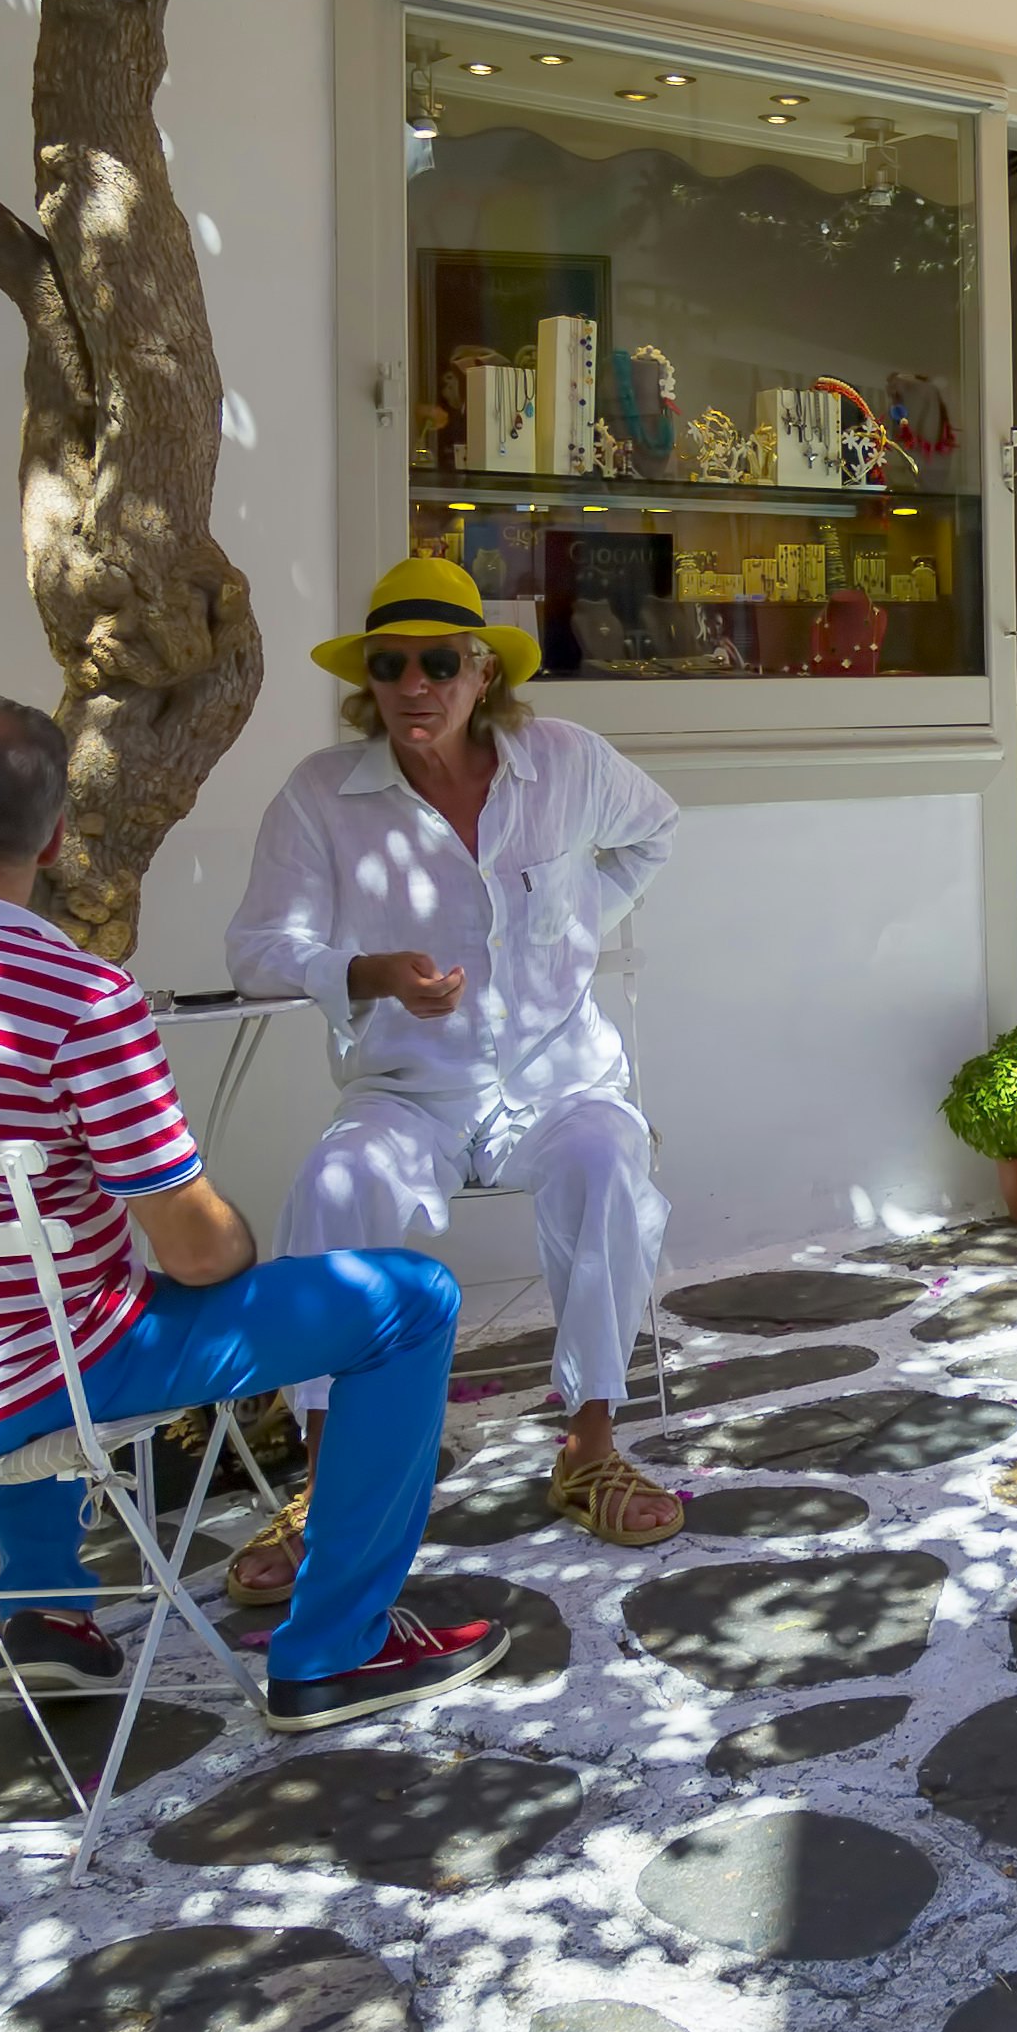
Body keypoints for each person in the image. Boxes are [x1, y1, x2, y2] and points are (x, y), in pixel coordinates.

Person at [0, 695, 496, 1731]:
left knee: (28, 1288)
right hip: (16, 1387)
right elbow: (197, 1253)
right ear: (50, 843)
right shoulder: (76, 998)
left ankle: (46, 1611)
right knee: (408, 1302)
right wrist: (225, 1236)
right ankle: (334, 1649)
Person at [230, 554, 685, 1569]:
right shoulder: (322, 797)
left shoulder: (564, 762)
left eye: (439, 662)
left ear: (484, 673)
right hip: (410, 1088)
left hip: (557, 1078)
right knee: (333, 1187)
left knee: (607, 1161)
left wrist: (573, 930)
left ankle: (591, 1449)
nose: (414, 685)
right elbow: (257, 948)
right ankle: (330, 1481)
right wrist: (368, 971)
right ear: (369, 684)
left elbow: (652, 833)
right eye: (390, 666)